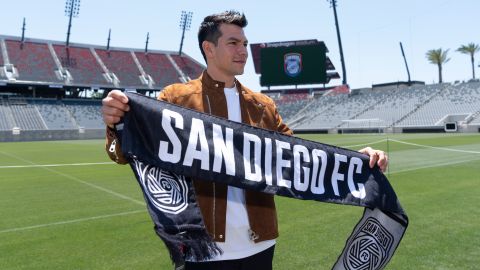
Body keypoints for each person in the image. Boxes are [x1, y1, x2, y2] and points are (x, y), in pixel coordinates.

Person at [102, 10, 388, 270]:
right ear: (209, 48)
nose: (243, 51)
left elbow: (300, 160)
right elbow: (126, 152)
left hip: (260, 246)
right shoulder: (175, 99)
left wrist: (358, 162)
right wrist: (116, 122)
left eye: (245, 44)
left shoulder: (262, 105)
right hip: (201, 251)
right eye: (233, 43)